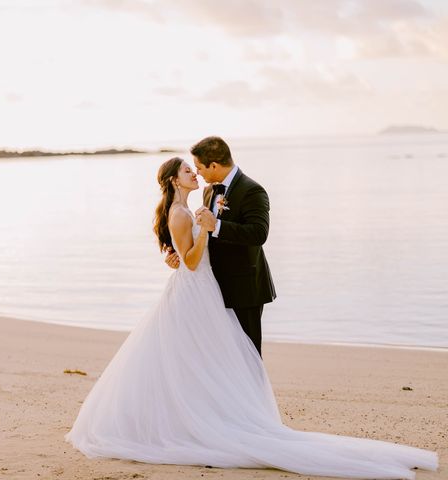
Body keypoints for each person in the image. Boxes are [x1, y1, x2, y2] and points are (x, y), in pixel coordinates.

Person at [64, 156, 438, 478]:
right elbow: (190, 263)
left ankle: (213, 413)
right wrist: (207, 232)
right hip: (195, 292)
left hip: (209, 291)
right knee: (190, 359)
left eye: (196, 170)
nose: (195, 175)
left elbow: (181, 255)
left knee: (209, 360)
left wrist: (201, 229)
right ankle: (193, 421)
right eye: (186, 171)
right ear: (173, 180)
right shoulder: (179, 213)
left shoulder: (200, 202)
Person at [165, 136, 275, 357]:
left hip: (245, 289)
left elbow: (259, 233)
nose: (198, 173)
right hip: (213, 289)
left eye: (199, 167)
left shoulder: (252, 190)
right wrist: (180, 254)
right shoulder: (209, 191)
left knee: (249, 357)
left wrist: (218, 225)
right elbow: (204, 237)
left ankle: (254, 393)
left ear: (213, 165)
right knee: (224, 358)